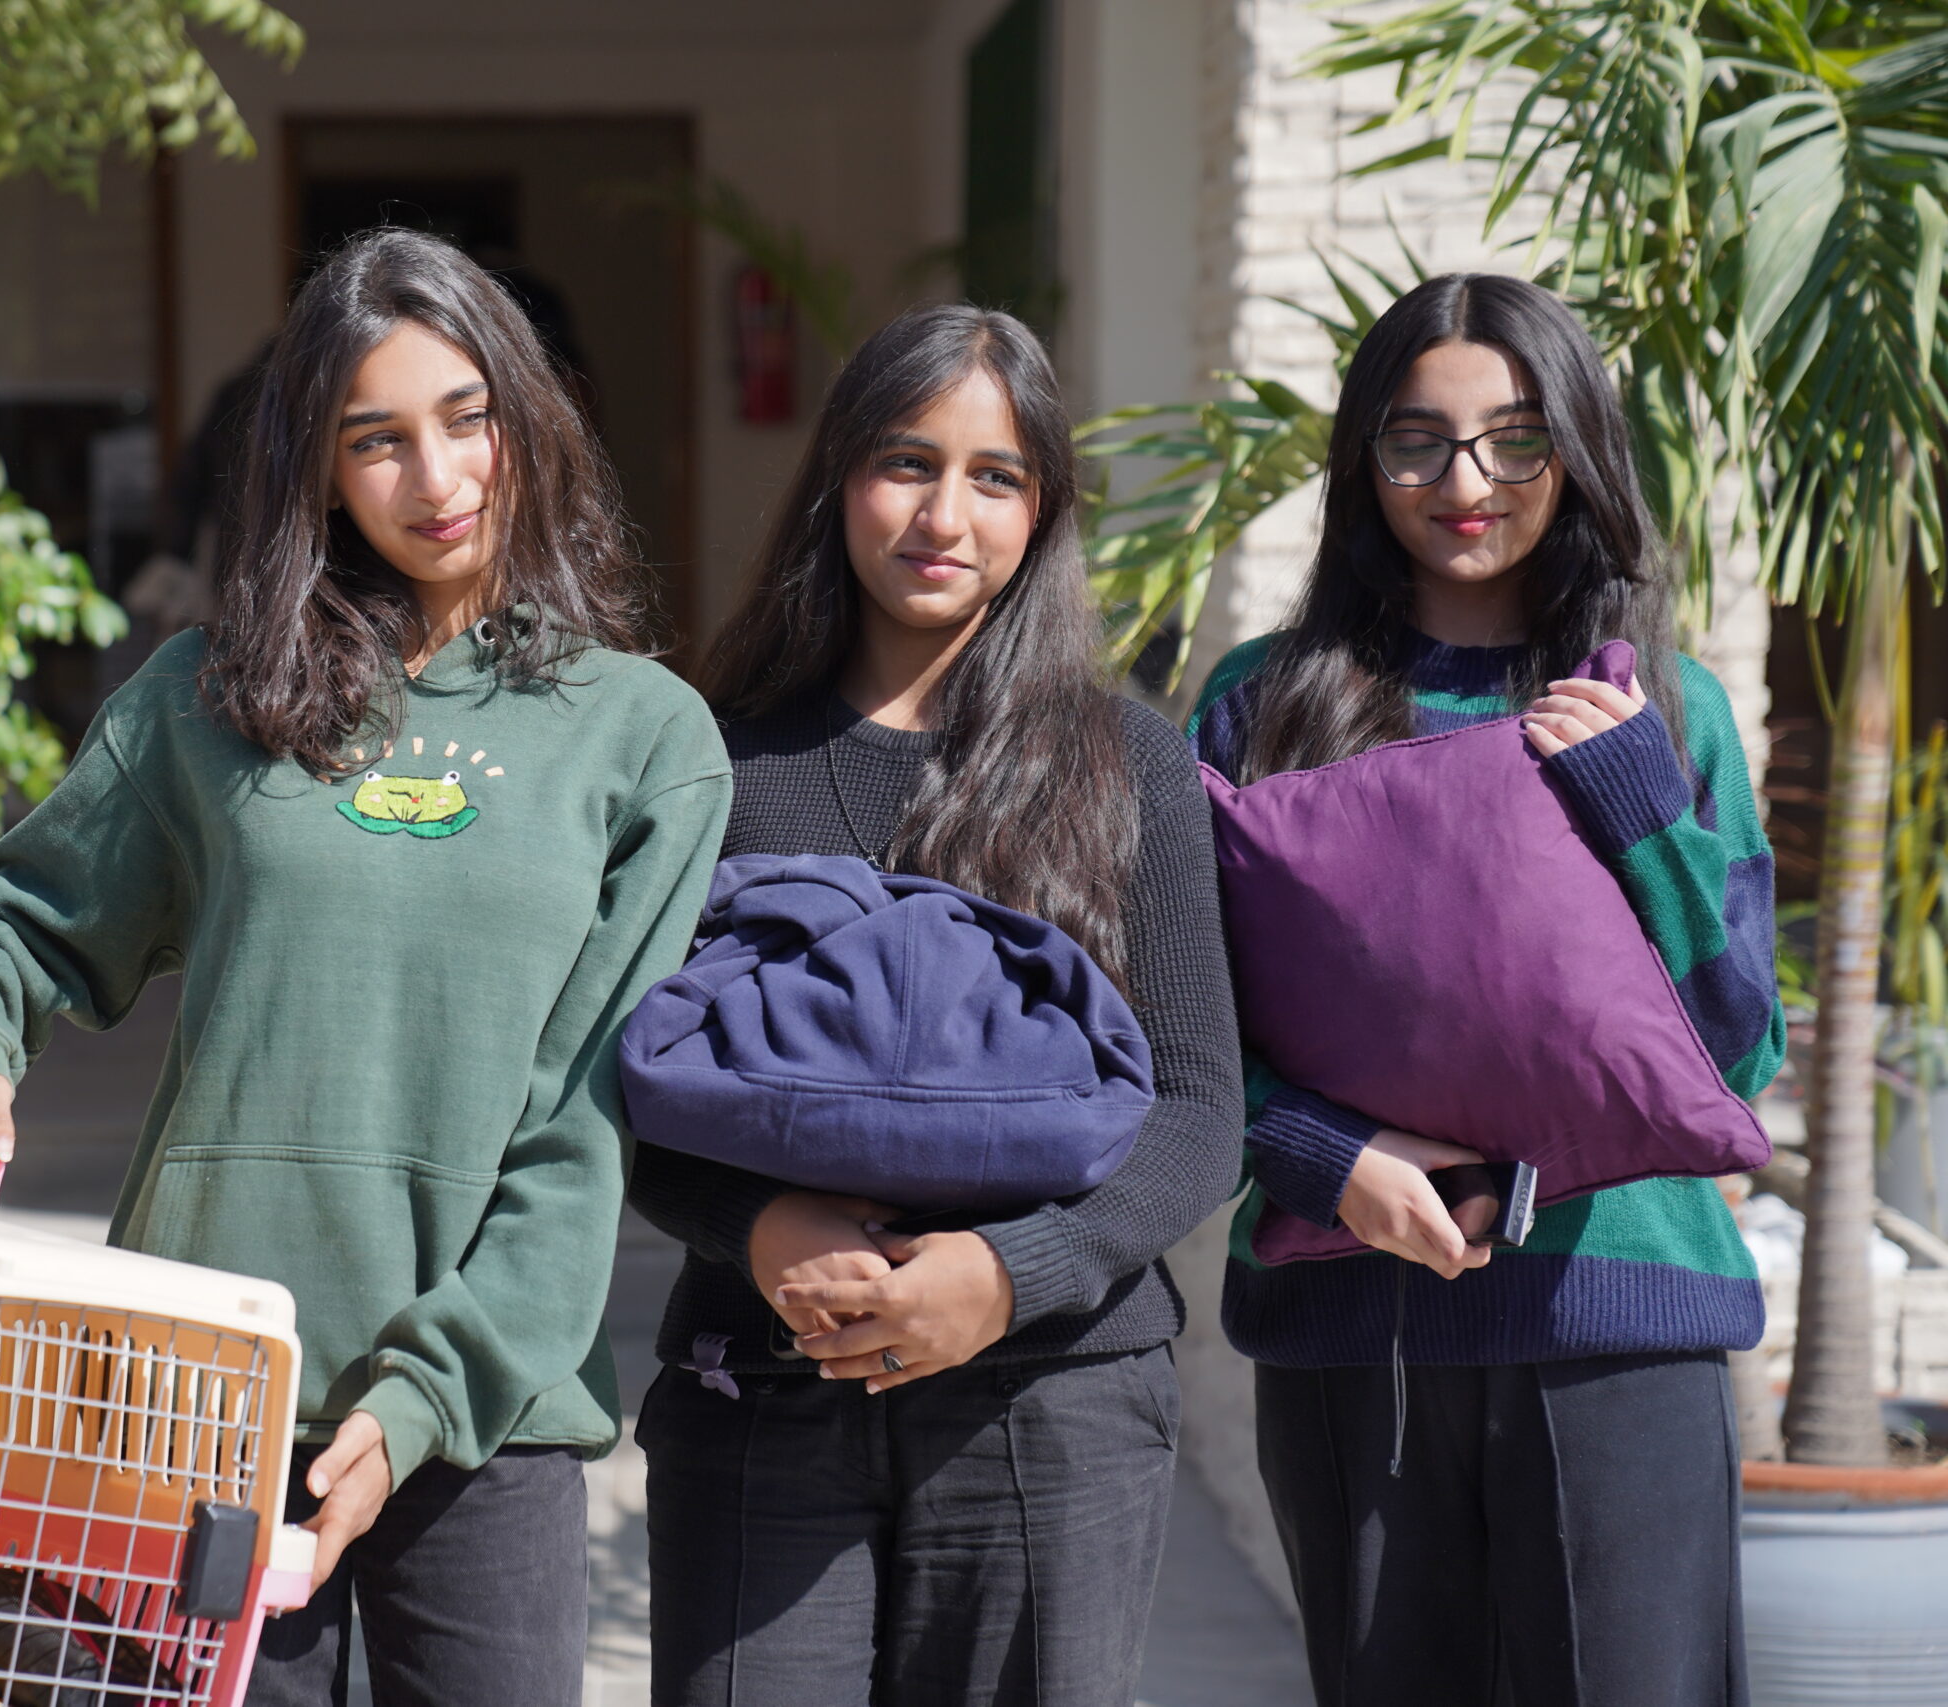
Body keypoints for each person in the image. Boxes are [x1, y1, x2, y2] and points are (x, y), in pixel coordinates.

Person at [0, 228, 732, 1707]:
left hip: (485, 1413)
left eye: (468, 418)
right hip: (194, 1394)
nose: (437, 478)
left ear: (529, 420)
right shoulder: (206, 699)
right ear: (319, 471)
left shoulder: (645, 737)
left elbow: (583, 1130)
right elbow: (16, 923)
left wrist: (428, 1393)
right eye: (376, 440)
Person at [627, 303, 1245, 1707]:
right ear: (838, 475)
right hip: (761, 1382)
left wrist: (1009, 1274)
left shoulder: (1128, 763)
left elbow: (1202, 1109)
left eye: (996, 476)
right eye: (907, 462)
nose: (944, 516)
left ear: (1045, 510)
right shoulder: (708, 760)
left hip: (1055, 1401)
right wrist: (759, 1227)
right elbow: (619, 1072)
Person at [1190, 272, 1782, 1707]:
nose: (1467, 483)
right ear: (1364, 460)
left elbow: (1738, 1051)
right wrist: (1325, 1157)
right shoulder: (1264, 702)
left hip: (1619, 1322)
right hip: (1354, 1333)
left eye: (1517, 440)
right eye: (1419, 441)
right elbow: (1180, 1030)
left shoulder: (1668, 708)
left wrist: (1640, 805)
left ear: (1578, 453)